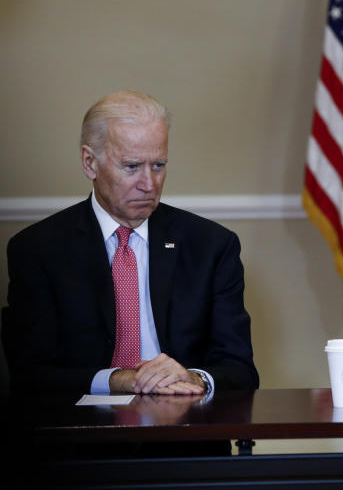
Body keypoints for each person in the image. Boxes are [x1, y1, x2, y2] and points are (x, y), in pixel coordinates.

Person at [3, 91, 258, 396]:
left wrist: (195, 378)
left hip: (184, 429)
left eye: (159, 165)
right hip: (82, 434)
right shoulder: (38, 250)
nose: (149, 184)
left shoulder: (212, 246)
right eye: (131, 166)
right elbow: (30, 375)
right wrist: (116, 380)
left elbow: (240, 370)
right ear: (89, 163)